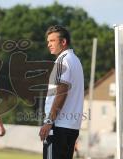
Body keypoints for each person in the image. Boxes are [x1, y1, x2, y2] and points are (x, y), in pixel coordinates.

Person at [39, 25, 84, 159]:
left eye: (52, 41)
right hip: (71, 127)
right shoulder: (76, 60)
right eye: (48, 41)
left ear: (63, 42)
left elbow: (62, 91)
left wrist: (49, 121)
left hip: (58, 126)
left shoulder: (63, 61)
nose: (49, 44)